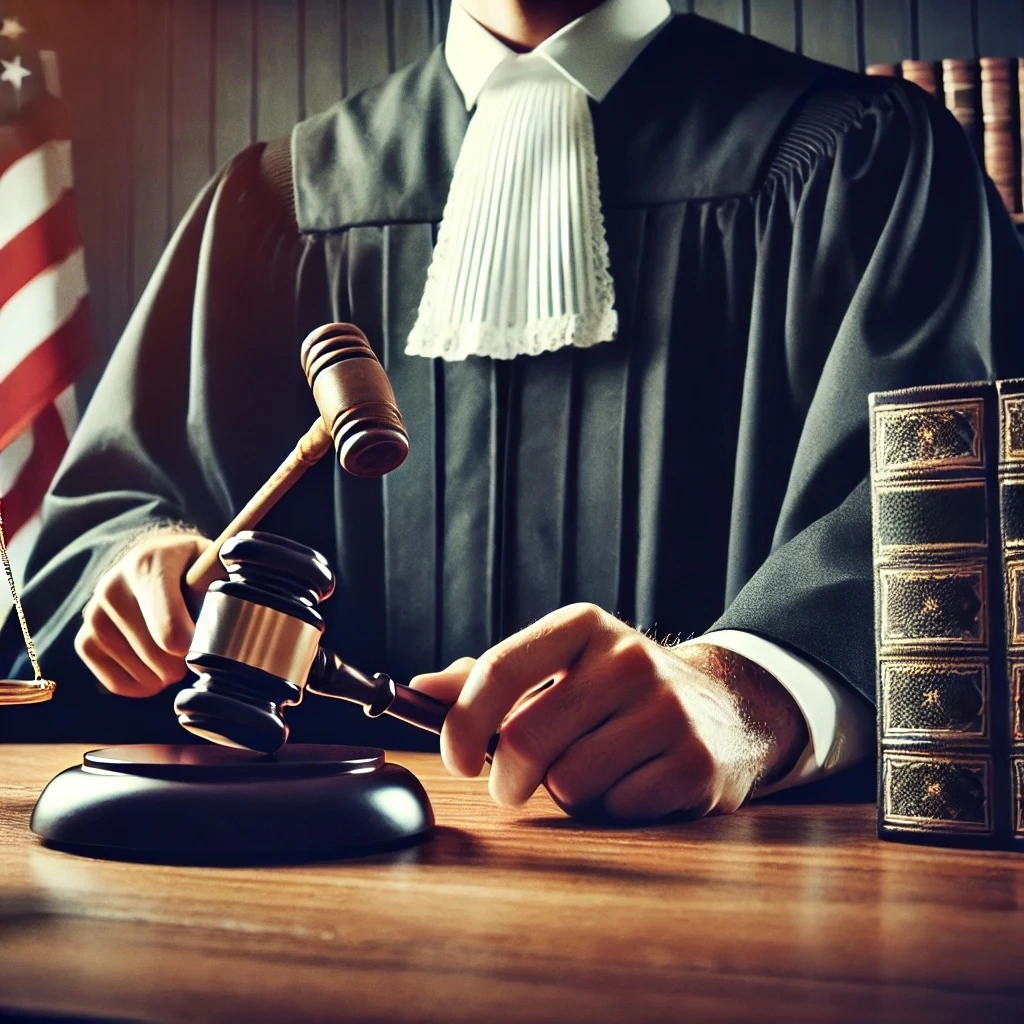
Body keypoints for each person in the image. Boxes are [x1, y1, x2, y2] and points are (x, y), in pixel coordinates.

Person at [3, 0, 1023, 821]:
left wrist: (750, 691)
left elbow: (953, 519)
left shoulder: (866, 160)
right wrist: (137, 574)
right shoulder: (274, 203)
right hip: (317, 898)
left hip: (749, 897)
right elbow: (93, 526)